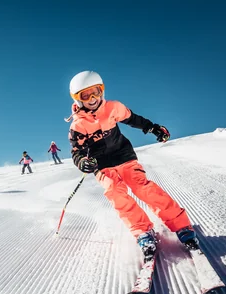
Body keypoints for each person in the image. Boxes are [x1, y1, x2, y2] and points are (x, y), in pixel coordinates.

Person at [66, 70, 199, 261]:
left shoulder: (112, 108)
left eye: (96, 91)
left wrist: (153, 128)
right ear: (78, 99)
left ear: (102, 90)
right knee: (115, 192)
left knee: (141, 187)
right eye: (85, 95)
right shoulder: (78, 126)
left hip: (124, 156)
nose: (93, 98)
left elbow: (133, 119)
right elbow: (76, 152)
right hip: (102, 165)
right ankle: (142, 231)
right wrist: (82, 162)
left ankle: (181, 225)